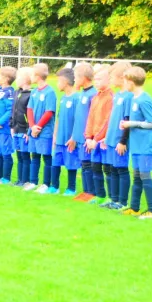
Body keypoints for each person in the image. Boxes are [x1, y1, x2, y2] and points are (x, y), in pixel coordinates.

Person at [120, 67, 152, 219]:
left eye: (125, 80)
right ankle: (134, 208)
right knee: (136, 176)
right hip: (136, 145)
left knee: (145, 175)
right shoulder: (133, 99)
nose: (124, 83)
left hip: (146, 146)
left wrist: (132, 124)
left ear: (131, 82)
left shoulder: (145, 99)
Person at [101, 61, 133, 209]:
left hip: (120, 140)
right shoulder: (117, 96)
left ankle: (122, 202)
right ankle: (113, 199)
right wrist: (106, 137)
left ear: (121, 77)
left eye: (112, 76)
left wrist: (123, 141)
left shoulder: (128, 97)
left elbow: (127, 120)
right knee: (112, 168)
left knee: (121, 169)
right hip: (111, 138)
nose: (111, 80)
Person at [24, 63, 57, 192]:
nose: (30, 76)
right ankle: (33, 181)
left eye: (32, 74)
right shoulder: (34, 92)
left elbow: (49, 112)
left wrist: (38, 127)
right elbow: (29, 109)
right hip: (34, 130)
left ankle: (46, 184)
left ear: (37, 76)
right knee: (35, 155)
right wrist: (32, 127)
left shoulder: (50, 92)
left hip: (45, 131)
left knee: (47, 157)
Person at [84, 65, 114, 205]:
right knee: (95, 167)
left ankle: (112, 197)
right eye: (95, 79)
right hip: (93, 139)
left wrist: (97, 139)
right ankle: (99, 195)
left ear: (109, 80)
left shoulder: (110, 98)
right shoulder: (95, 97)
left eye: (100, 79)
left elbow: (107, 121)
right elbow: (90, 118)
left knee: (107, 169)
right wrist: (88, 137)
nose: (96, 81)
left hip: (103, 140)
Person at [49, 68, 80, 195]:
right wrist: (55, 135)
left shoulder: (76, 98)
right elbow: (58, 117)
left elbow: (79, 121)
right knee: (55, 162)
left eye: (58, 81)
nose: (57, 84)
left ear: (65, 81)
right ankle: (54, 186)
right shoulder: (62, 98)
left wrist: (74, 137)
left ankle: (71, 188)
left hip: (70, 139)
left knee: (71, 163)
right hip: (60, 138)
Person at [71, 62, 98, 202]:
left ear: (84, 78)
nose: (74, 79)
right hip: (80, 137)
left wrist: (91, 136)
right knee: (83, 164)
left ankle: (91, 192)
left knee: (88, 165)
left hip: (88, 137)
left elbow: (93, 118)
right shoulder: (82, 94)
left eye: (76, 76)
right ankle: (86, 191)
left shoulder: (93, 94)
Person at [10, 67, 33, 187]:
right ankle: (19, 180)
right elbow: (13, 110)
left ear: (25, 79)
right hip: (16, 129)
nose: (16, 79)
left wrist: (28, 130)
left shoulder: (30, 95)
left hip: (24, 130)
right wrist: (11, 126)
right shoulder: (16, 92)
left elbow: (30, 114)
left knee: (25, 156)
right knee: (19, 155)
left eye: (18, 77)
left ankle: (25, 180)